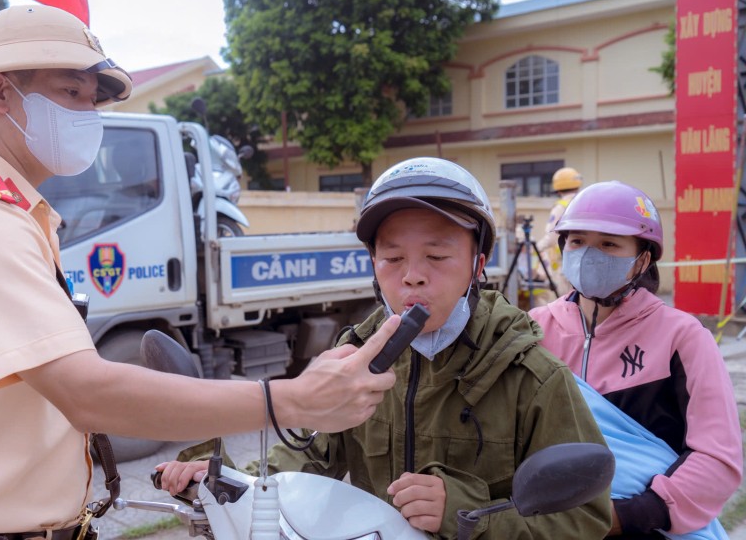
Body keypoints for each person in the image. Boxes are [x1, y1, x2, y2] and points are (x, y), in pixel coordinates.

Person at [0, 4, 397, 540]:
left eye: (93, 100)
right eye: (71, 93)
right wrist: (289, 399)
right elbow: (88, 394)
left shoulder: (3, 211)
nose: (88, 115)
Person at [158, 157, 612, 538]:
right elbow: (308, 460)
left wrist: (468, 514)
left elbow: (586, 518)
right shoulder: (355, 359)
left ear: (478, 262)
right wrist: (227, 480)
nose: (412, 275)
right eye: (392, 258)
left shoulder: (531, 374)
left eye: (436, 256)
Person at [528, 181, 743, 539]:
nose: (589, 255)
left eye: (609, 244)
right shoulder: (534, 330)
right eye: (578, 242)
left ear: (642, 259)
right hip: (547, 526)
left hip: (645, 527)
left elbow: (717, 458)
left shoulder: (681, 337)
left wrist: (630, 514)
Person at [530, 166, 584, 306]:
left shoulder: (561, 206)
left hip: (561, 263)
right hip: (580, 258)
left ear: (558, 189)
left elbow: (552, 237)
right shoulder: (583, 203)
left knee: (562, 301)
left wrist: (534, 248)